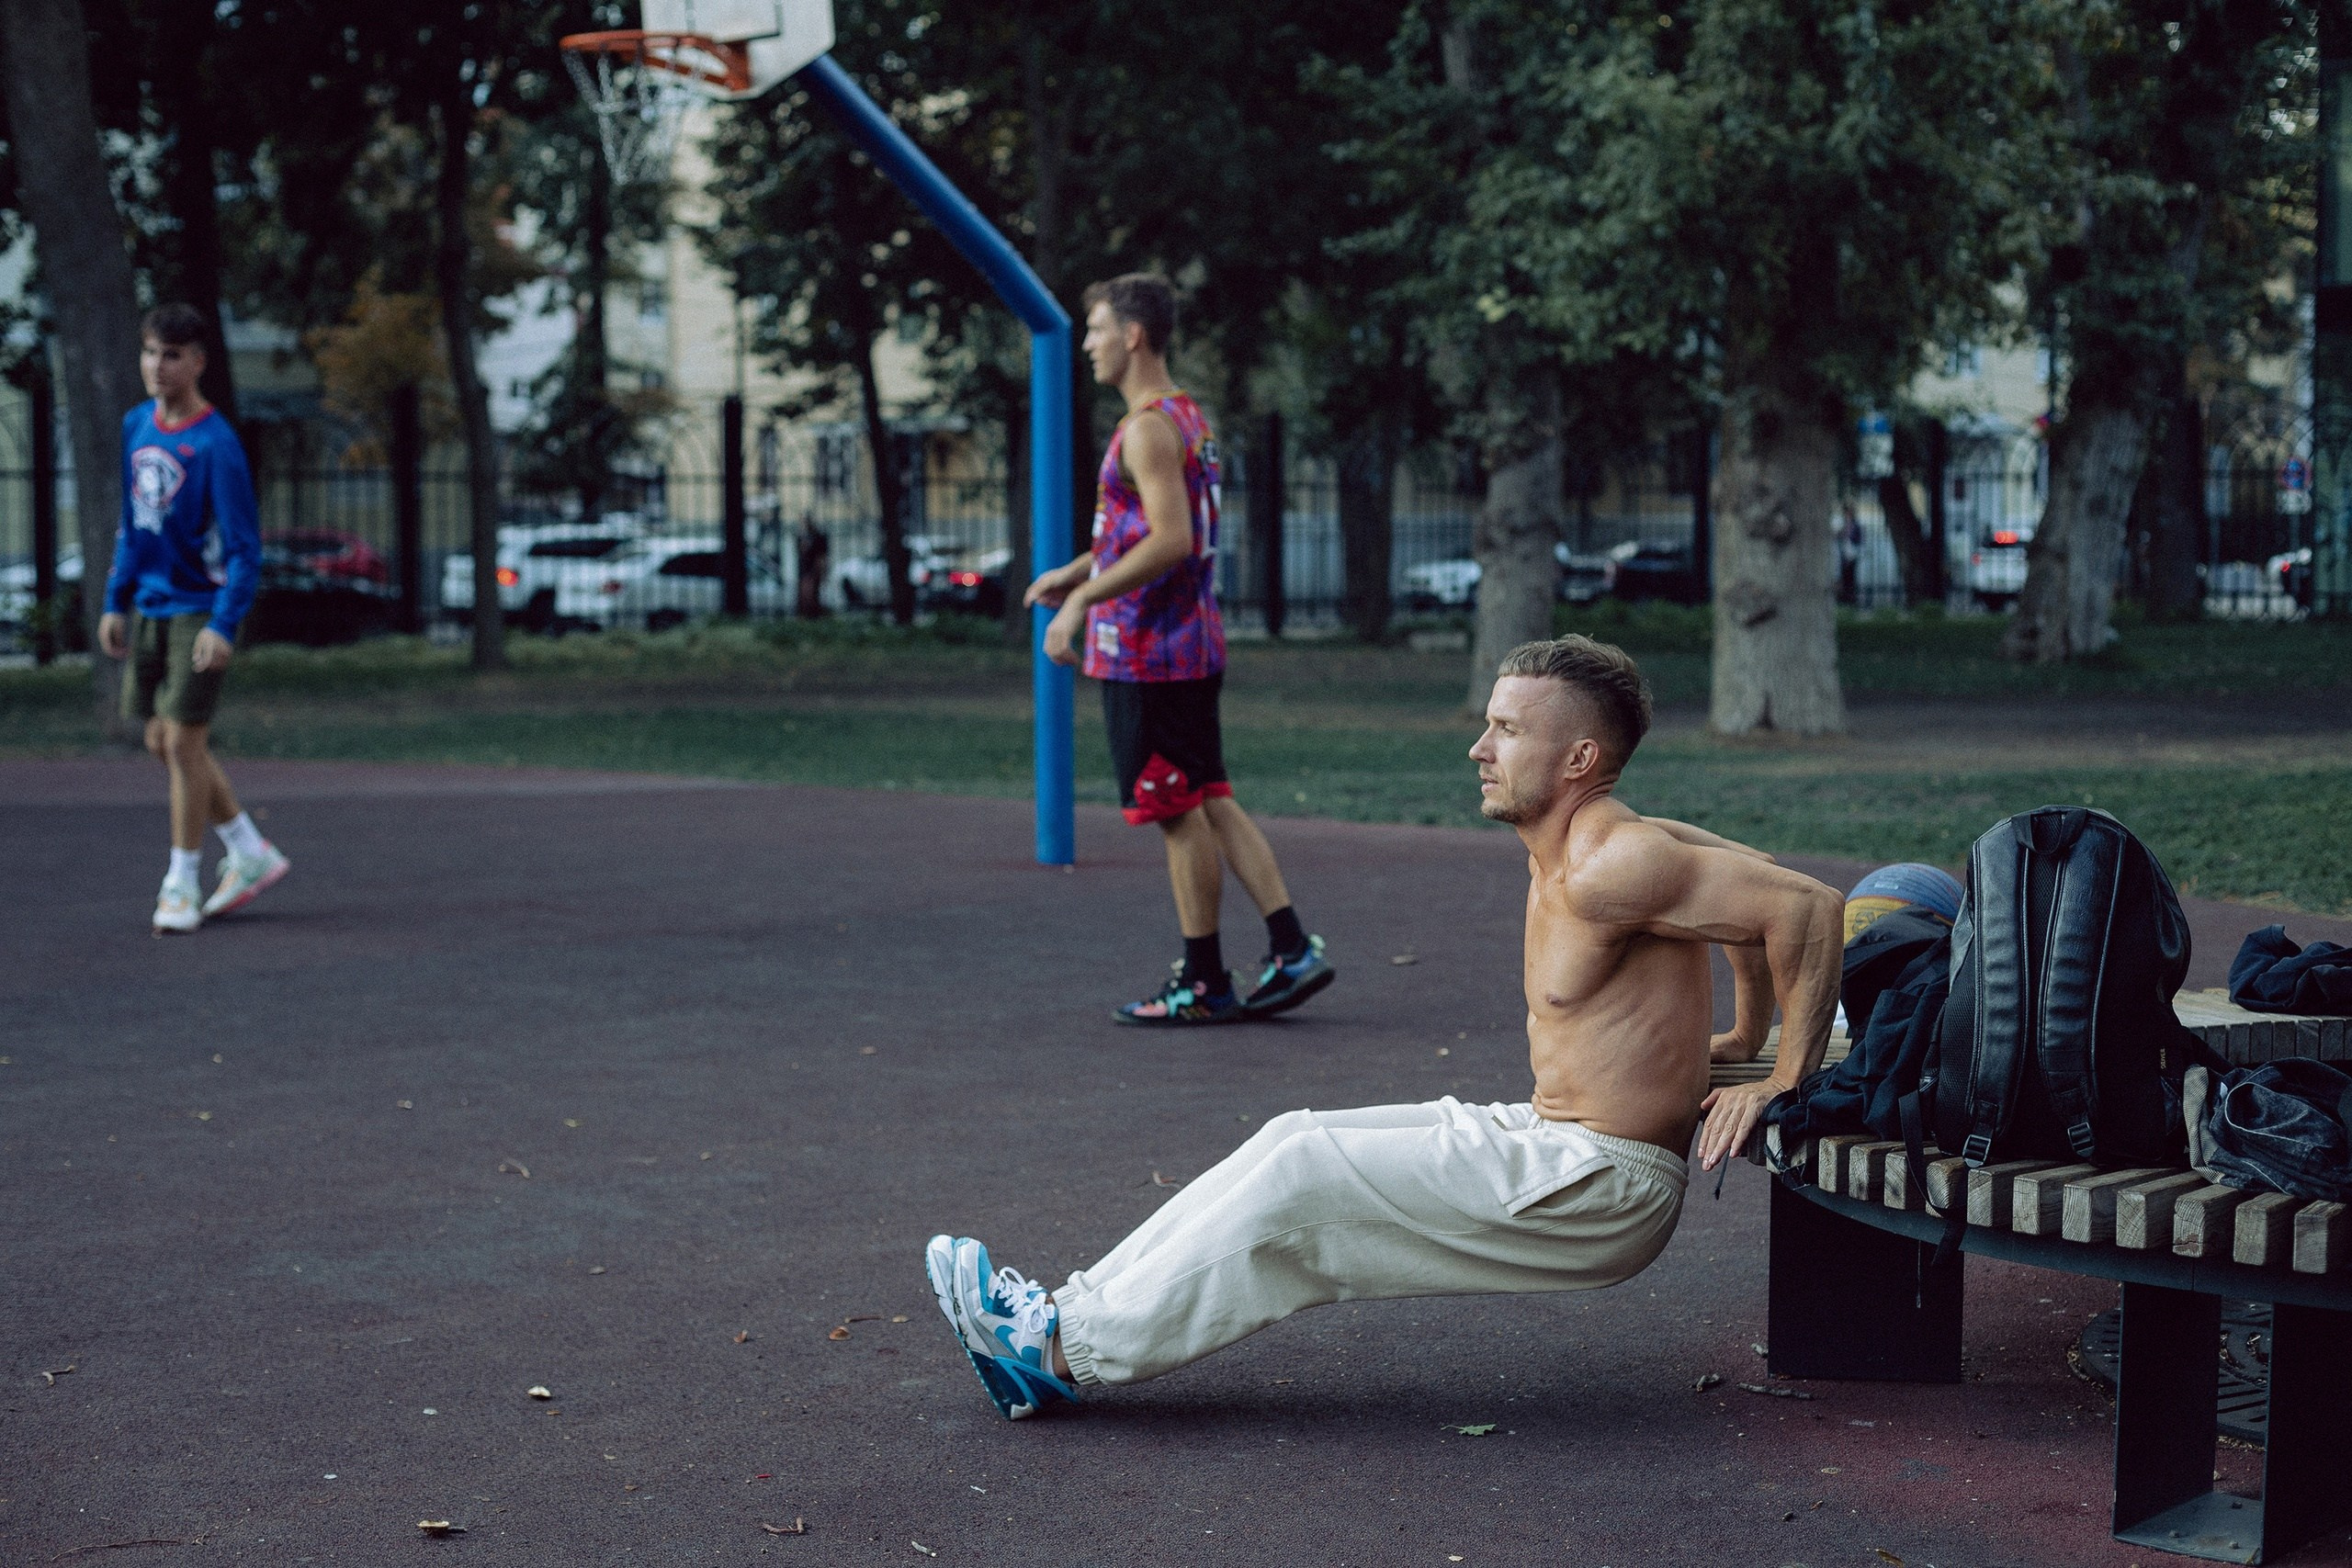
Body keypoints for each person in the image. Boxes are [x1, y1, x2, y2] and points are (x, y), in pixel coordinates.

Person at [923, 634, 1845, 1419]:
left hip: (1598, 1185)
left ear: (1578, 760)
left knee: (1303, 1180)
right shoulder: (1608, 844)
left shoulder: (1616, 861)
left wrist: (1779, 1074)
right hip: (1556, 1142)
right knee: (1295, 1137)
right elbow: (1758, 895)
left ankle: (1058, 1352)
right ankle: (1064, 1311)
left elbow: (1804, 907)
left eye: (1509, 731)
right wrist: (1739, 1034)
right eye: (1488, 725)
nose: (1479, 749)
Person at [1022, 274, 1334, 1027]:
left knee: (1176, 811)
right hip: (1189, 643)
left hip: (1150, 654)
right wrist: (1077, 570)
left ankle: (1203, 980)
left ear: (1132, 334)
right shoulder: (1185, 416)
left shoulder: (1146, 428)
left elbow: (1170, 540)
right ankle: (1293, 947)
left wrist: (1084, 604)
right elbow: (1146, 532)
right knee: (1212, 797)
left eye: (1096, 329)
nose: (1089, 343)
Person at [97, 303, 289, 934]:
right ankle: (249, 848)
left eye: (172, 354)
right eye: (151, 352)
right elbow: (133, 522)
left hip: (197, 610)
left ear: (198, 362)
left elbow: (243, 548)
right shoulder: (136, 427)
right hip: (149, 604)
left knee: (183, 741)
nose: (158, 365)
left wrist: (224, 623)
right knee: (158, 739)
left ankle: (179, 882)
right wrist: (115, 600)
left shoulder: (216, 444)